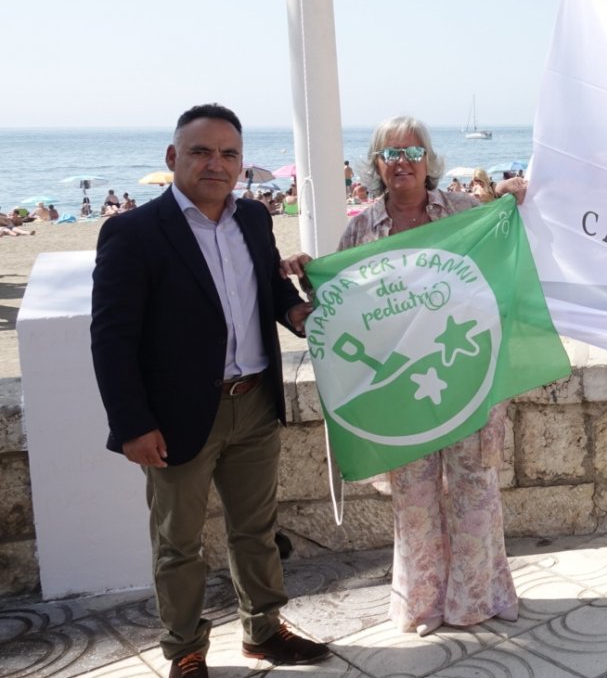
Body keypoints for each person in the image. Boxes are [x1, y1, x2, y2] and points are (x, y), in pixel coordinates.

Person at [90, 104, 329, 678]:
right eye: (200, 151)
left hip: (255, 403)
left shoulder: (252, 219)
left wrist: (299, 312)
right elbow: (111, 338)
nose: (215, 164)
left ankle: (264, 631)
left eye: (228, 153)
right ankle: (185, 650)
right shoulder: (133, 233)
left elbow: (269, 295)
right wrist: (132, 425)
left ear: (241, 164)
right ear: (173, 158)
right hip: (175, 418)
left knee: (256, 530)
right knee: (178, 543)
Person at [282, 115, 527, 636]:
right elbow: (344, 306)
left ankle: (477, 599)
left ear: (429, 160)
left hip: (464, 375)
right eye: (390, 154)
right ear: (376, 164)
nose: (402, 163)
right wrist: (309, 275)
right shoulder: (360, 228)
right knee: (414, 501)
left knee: (474, 492)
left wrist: (516, 197)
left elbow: (502, 263)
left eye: (413, 152)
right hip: (402, 388)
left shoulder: (462, 212)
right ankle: (421, 605)